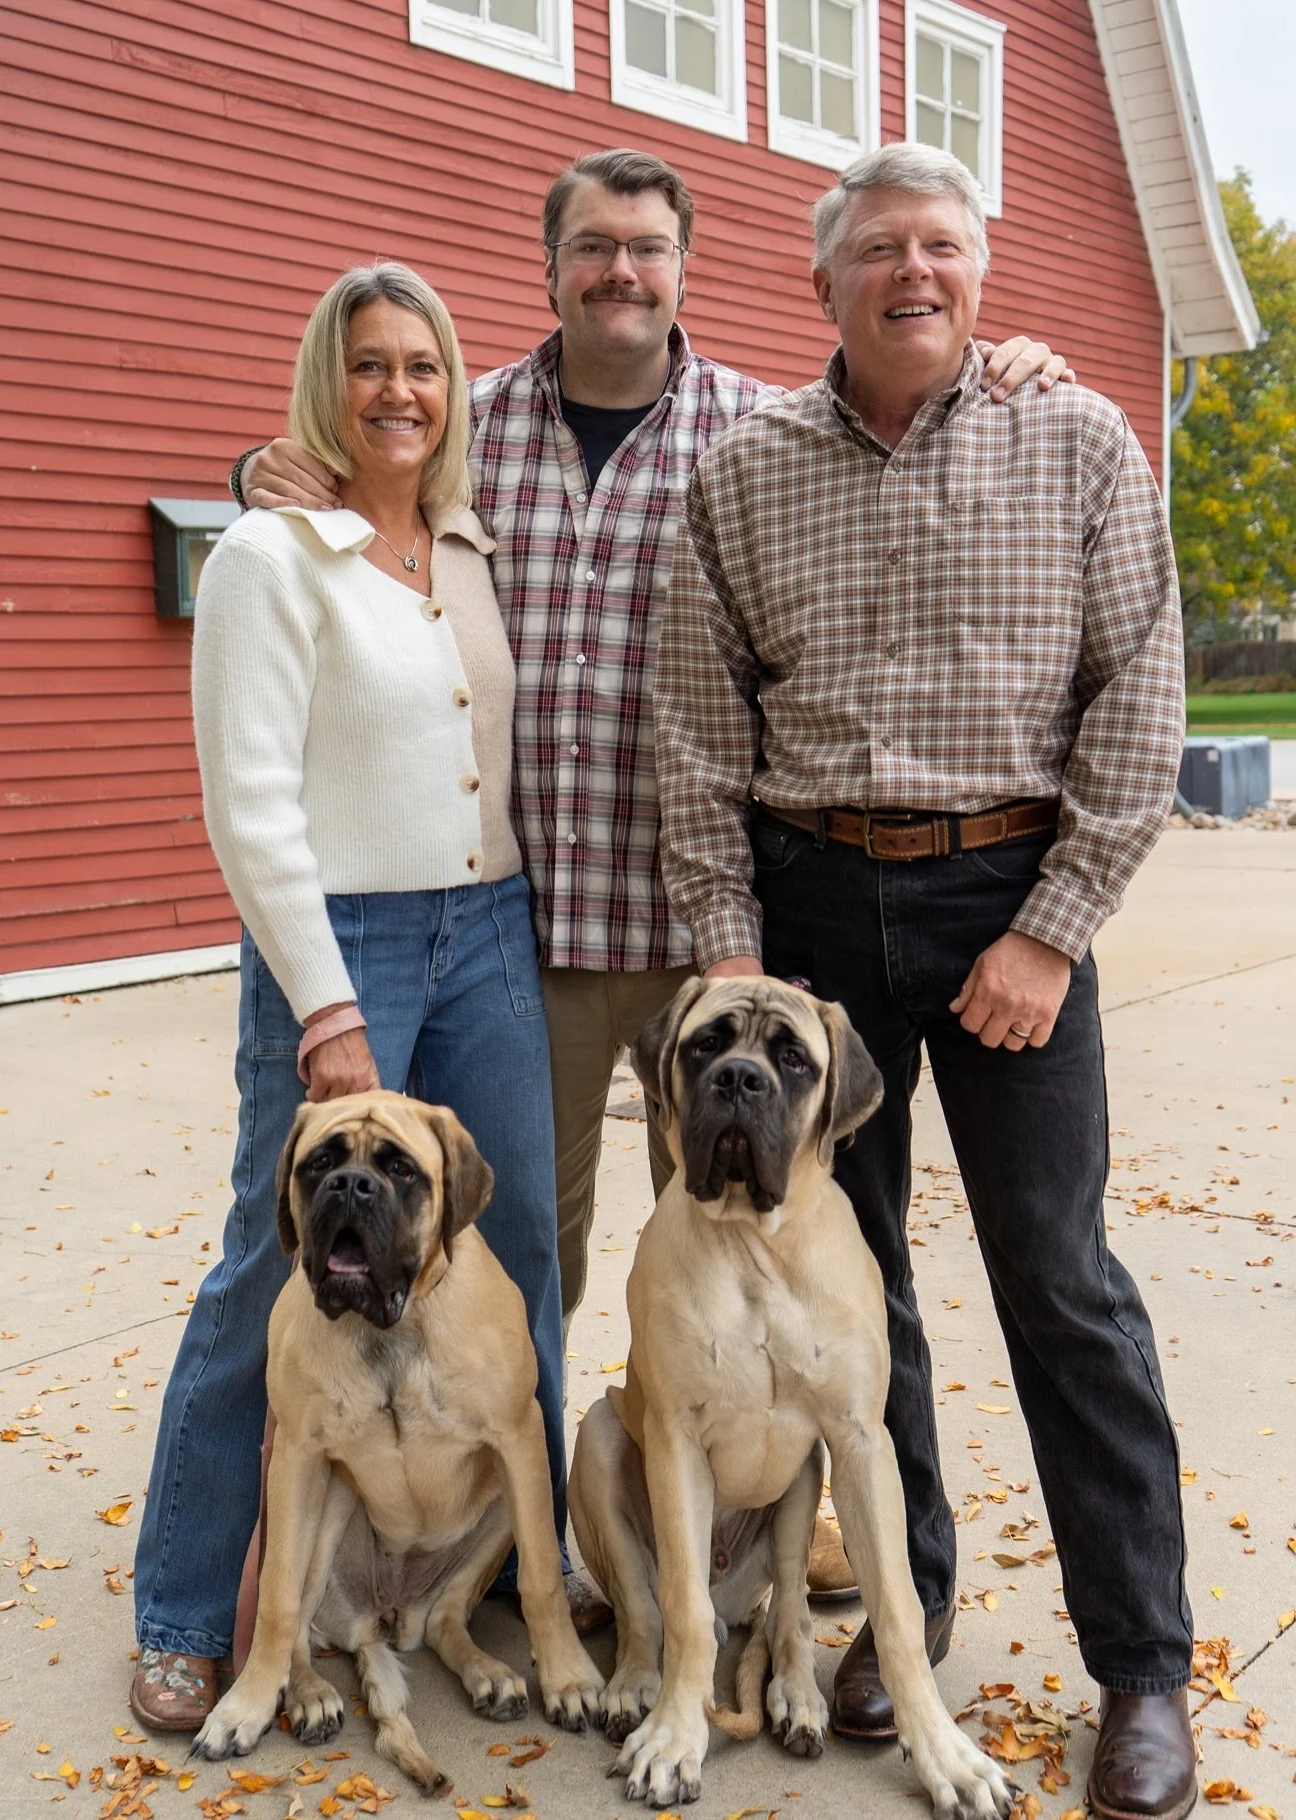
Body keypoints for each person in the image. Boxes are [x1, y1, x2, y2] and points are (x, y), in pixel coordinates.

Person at [239, 149, 1070, 1339]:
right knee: (523, 1253)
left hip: (711, 942)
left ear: (686, 269)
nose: (619, 271)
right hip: (532, 945)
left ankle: (721, 1526)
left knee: (736, 1265)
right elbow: (337, 474)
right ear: (551, 269)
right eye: (591, 246)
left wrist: (996, 363)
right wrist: (256, 472)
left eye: (646, 248)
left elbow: (897, 398)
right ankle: (541, 1516)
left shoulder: (768, 436)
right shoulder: (463, 437)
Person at [653, 142, 1195, 1820]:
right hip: (811, 919)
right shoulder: (743, 472)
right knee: (856, 1284)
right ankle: (910, 1612)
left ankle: (1144, 1671)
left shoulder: (1079, 438)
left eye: (941, 247)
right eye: (878, 249)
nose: (913, 272)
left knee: (1061, 1279)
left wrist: (1054, 926)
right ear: (823, 285)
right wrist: (732, 955)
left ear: (980, 267)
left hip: (1008, 891)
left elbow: (1141, 689)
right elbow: (694, 732)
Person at [131, 263, 580, 1732]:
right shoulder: (273, 554)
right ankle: (190, 1614)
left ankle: (524, 1576)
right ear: (327, 381)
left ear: (456, 390)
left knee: (508, 1245)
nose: (401, 390)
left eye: (426, 367)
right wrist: (325, 1007)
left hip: (491, 921)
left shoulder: (465, 542)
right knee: (274, 1266)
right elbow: (251, 802)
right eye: (371, 364)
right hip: (343, 942)